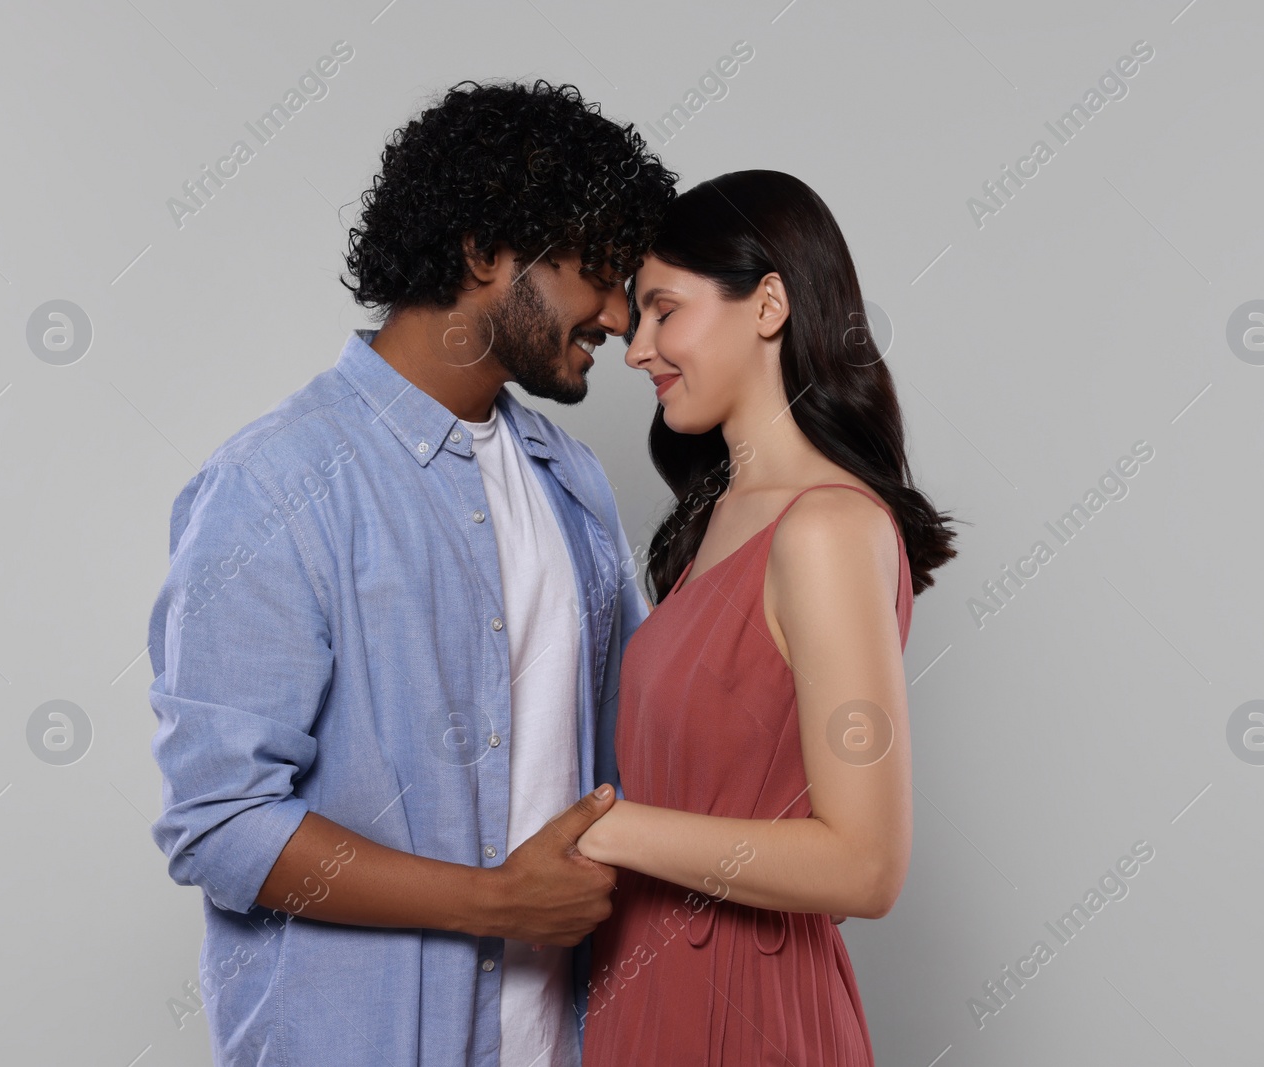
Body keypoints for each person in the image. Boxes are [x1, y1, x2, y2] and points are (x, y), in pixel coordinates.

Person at [145, 80, 675, 1066]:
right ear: (482, 252)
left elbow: (631, 753)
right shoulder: (278, 482)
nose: (616, 314)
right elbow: (220, 824)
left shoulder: (575, 482)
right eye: (594, 272)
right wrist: (494, 901)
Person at [577, 170, 959, 1066]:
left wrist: (604, 826)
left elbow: (865, 864)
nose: (637, 348)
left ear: (769, 304)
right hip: (647, 989)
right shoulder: (715, 518)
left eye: (663, 309)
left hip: (745, 1008)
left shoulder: (824, 528)